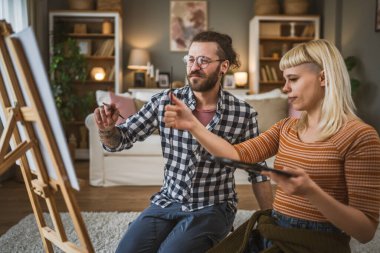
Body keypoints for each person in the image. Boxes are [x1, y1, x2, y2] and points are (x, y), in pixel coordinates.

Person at [164, 39, 380, 252]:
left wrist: (312, 192)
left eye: (293, 79)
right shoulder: (286, 127)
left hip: (315, 242)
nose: (285, 88)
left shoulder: (360, 137)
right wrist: (193, 125)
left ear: (323, 78)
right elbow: (237, 154)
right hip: (274, 228)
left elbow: (365, 231)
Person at [94, 31, 273, 253]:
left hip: (213, 206)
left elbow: (258, 172)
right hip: (167, 201)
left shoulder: (243, 114)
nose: (194, 66)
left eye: (203, 60)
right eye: (190, 59)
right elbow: (121, 139)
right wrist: (107, 130)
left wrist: (271, 223)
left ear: (224, 66)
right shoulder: (163, 102)